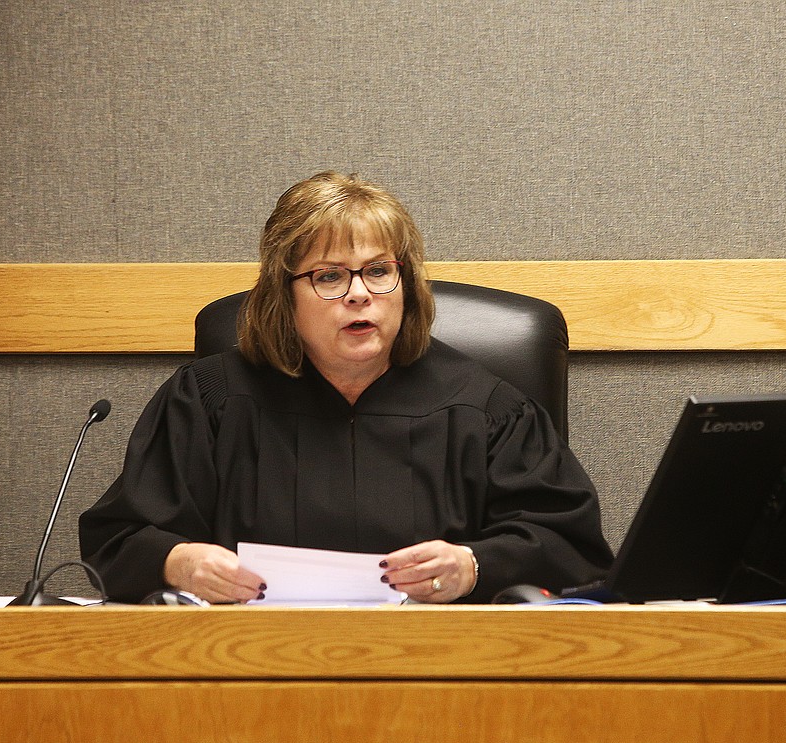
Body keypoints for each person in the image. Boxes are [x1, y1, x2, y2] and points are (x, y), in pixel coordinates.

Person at [79, 171, 613, 603]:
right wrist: (180, 563)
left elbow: (572, 549)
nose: (360, 294)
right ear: (282, 297)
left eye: (379, 271)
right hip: (246, 674)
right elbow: (119, 538)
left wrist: (474, 566)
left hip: (443, 675)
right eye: (330, 276)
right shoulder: (210, 400)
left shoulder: (487, 409)